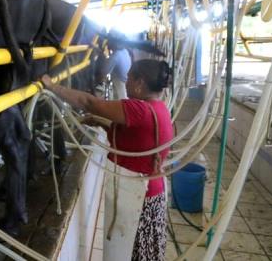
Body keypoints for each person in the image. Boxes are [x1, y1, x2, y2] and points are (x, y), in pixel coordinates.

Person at [41, 59, 173, 261]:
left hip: (139, 197)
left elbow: (89, 102)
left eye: (129, 78)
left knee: (129, 252)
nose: (126, 82)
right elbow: (136, 142)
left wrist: (51, 86)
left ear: (140, 83)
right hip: (151, 191)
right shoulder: (158, 108)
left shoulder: (138, 109)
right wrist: (101, 122)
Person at [100, 33, 132, 99]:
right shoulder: (125, 51)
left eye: (109, 41)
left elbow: (104, 72)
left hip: (120, 84)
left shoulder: (115, 55)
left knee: (119, 102)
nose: (108, 43)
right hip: (126, 81)